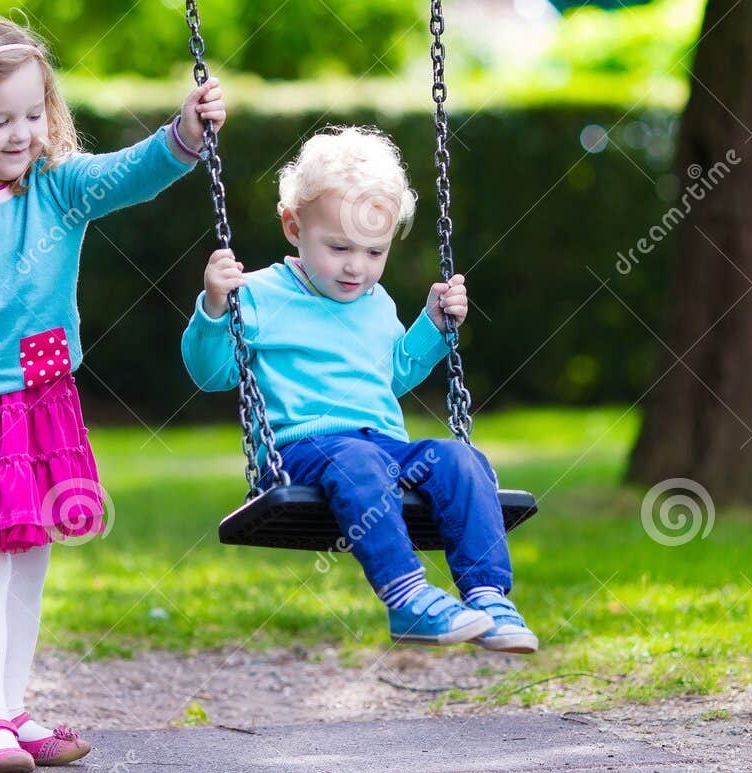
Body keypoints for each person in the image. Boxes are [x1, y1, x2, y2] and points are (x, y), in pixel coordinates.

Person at [0, 14, 226, 773]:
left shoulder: (58, 189)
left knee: (29, 563)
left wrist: (185, 134)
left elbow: (134, 170)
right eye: (0, 121)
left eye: (32, 114)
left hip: (34, 405)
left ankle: (13, 710)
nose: (22, 134)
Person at [181, 126, 536, 653]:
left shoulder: (376, 303)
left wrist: (433, 326)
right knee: (358, 461)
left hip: (382, 445)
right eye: (339, 247)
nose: (356, 266)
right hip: (301, 450)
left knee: (459, 459)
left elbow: (393, 374)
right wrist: (213, 308)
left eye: (375, 252)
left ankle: (487, 595)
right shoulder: (254, 295)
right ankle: (407, 596)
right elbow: (211, 374)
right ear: (293, 226)